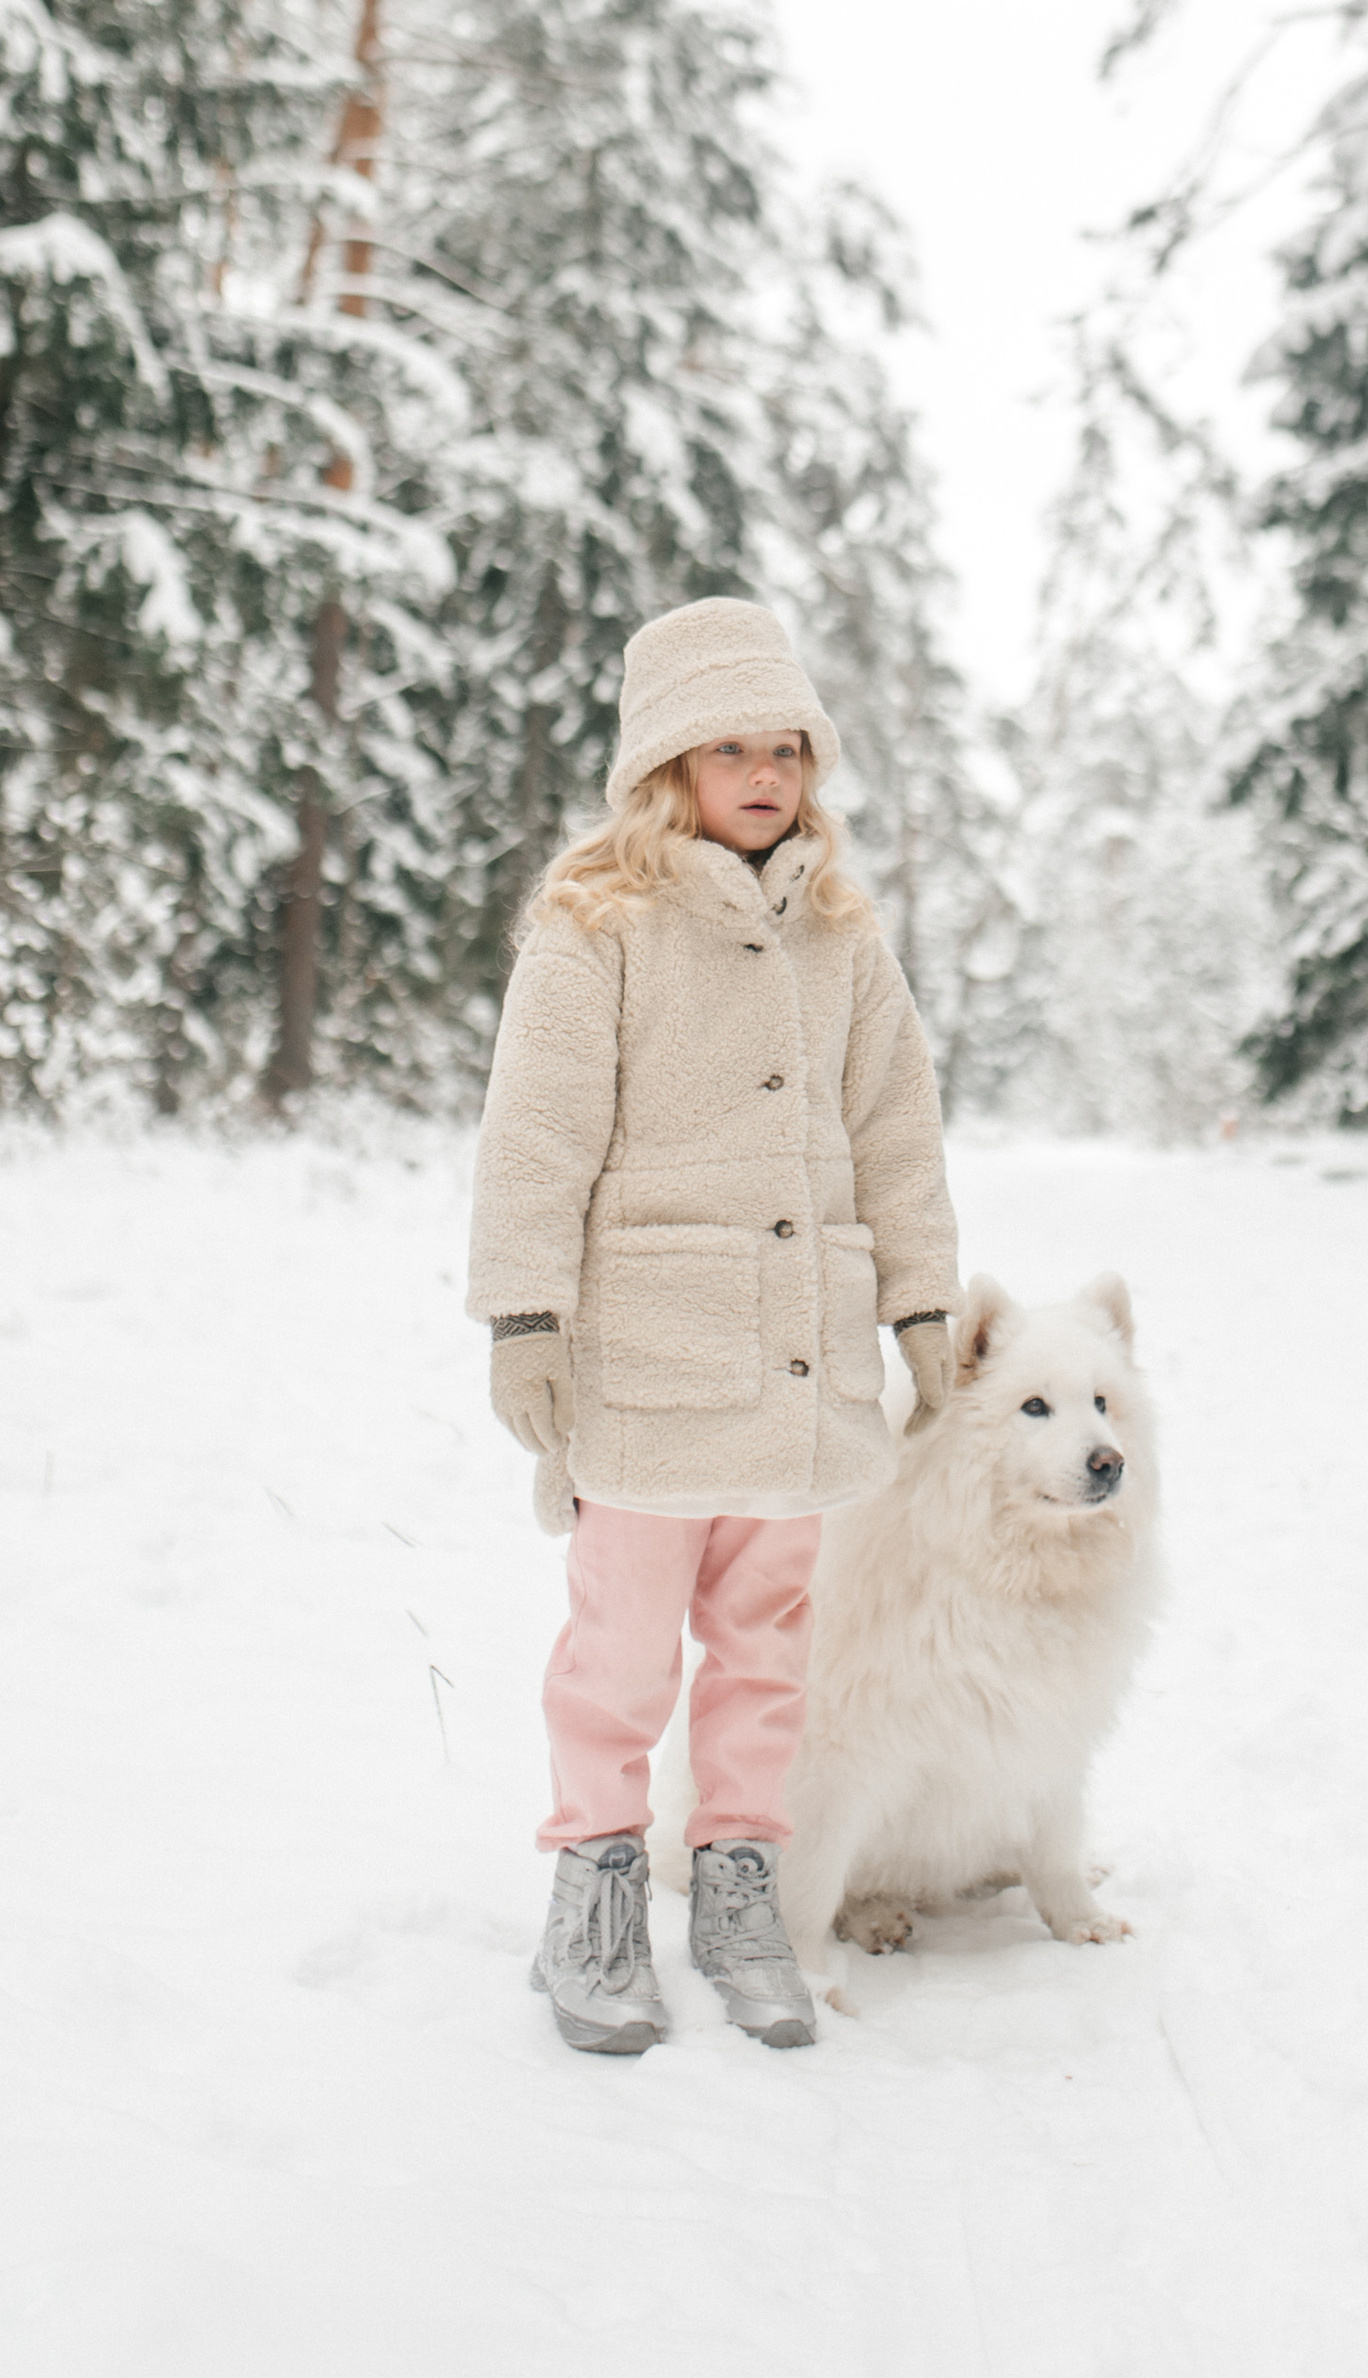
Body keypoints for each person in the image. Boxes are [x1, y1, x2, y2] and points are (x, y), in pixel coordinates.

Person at [468, 596, 960, 2055]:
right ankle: (598, 1878)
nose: (763, 774)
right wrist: (523, 1312)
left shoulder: (843, 941)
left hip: (801, 1365)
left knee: (766, 1644)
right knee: (620, 1646)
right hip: (649, 1365)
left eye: (786, 747)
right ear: (665, 765)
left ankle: (739, 1876)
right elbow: (535, 1129)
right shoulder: (596, 926)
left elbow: (898, 1132)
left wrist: (923, 1300)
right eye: (727, 745)